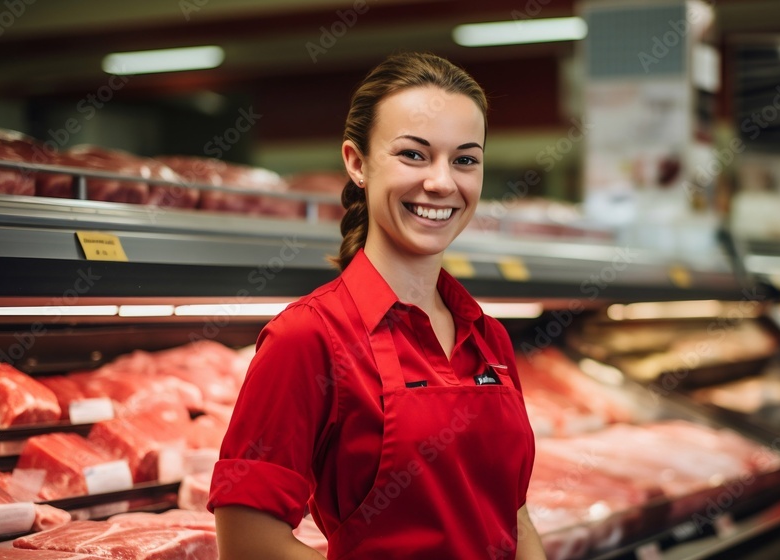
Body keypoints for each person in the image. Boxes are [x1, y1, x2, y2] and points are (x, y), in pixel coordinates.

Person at [208, 52, 545, 560]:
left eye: (465, 159)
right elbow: (247, 540)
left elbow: (513, 516)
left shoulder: (488, 335)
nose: (442, 182)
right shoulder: (308, 336)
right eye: (413, 155)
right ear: (358, 163)